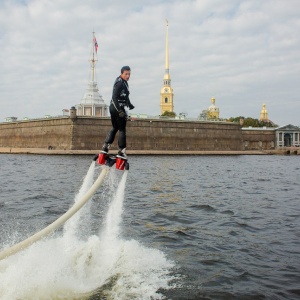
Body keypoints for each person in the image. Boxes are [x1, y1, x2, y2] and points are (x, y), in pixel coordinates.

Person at [101, 66, 135, 158]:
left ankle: (105, 147)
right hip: (117, 107)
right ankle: (121, 151)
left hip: (114, 108)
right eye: (126, 74)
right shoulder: (120, 83)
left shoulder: (124, 83)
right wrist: (120, 111)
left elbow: (125, 96)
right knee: (122, 129)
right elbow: (114, 97)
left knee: (115, 127)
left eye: (129, 74)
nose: (128, 76)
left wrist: (130, 104)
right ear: (122, 73)